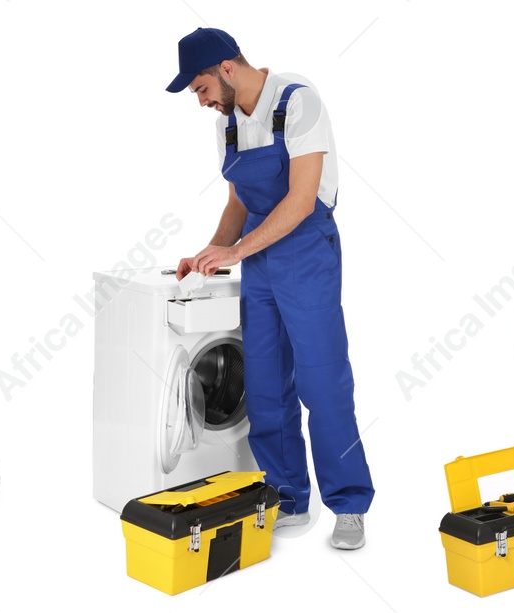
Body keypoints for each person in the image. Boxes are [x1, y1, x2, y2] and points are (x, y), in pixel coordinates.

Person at [168, 27, 375, 550]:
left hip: (306, 253)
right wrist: (209, 254)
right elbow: (239, 202)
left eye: (200, 88)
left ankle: (348, 504)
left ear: (227, 68)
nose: (202, 101)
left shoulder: (297, 103)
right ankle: (288, 495)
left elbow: (303, 199)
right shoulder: (228, 125)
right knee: (263, 386)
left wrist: (236, 252)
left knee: (322, 383)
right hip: (258, 261)